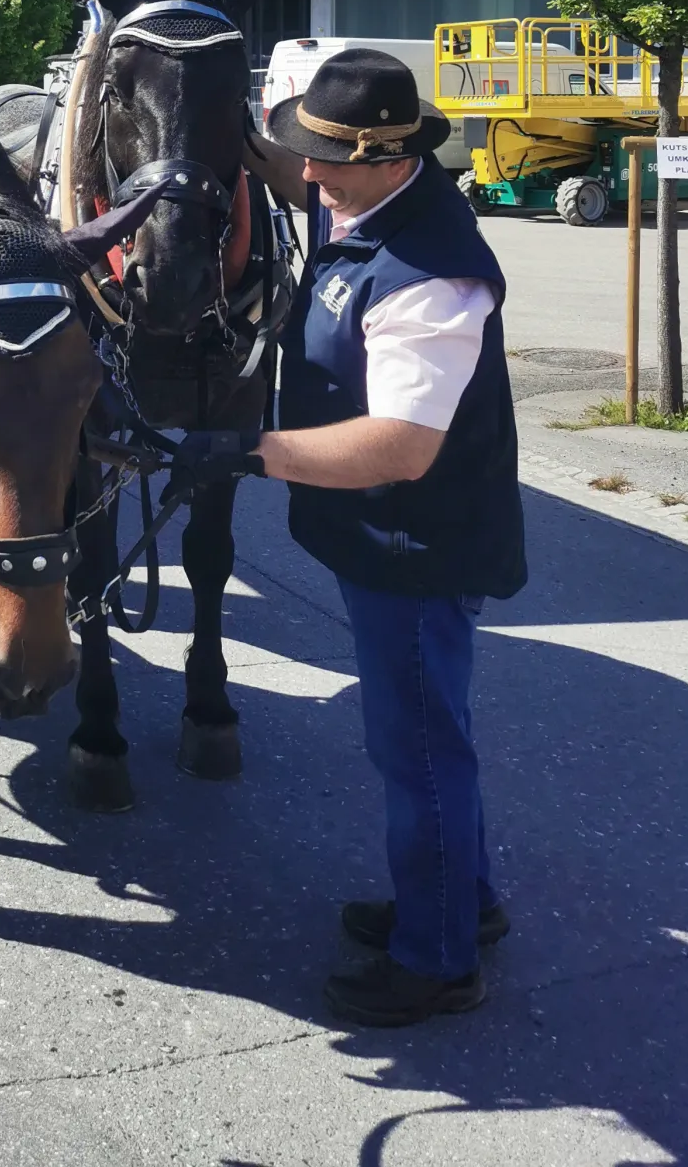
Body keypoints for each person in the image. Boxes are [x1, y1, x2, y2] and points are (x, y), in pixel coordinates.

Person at [191, 51, 524, 1027]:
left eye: (326, 162)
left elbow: (402, 446)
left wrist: (243, 451)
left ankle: (437, 960)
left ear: (386, 157)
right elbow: (279, 166)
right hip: (382, 536)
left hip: (416, 545)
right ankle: (462, 901)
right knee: (424, 737)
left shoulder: (432, 277)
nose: (308, 176)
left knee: (416, 748)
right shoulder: (368, 205)